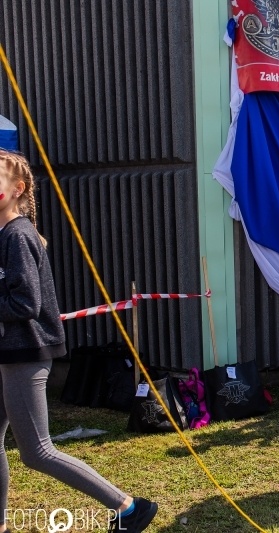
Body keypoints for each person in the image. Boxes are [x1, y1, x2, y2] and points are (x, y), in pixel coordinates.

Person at [0, 150, 158, 532]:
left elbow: (26, 302)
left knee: (37, 452)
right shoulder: (5, 234)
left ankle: (129, 508)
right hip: (7, 352)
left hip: (26, 352)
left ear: (17, 188)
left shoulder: (18, 235)